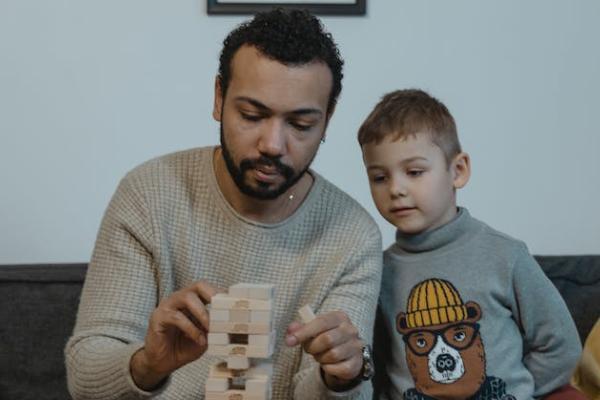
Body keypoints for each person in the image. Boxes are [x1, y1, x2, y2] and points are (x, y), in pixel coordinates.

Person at [65, 8, 382, 399]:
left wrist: (343, 378)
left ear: (327, 120)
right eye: (252, 115)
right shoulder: (148, 194)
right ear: (219, 98)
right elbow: (84, 379)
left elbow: (335, 385)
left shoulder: (352, 236)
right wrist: (149, 363)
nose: (273, 145)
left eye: (300, 125)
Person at [357, 89, 582, 400]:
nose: (396, 189)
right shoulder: (377, 270)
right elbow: (376, 365)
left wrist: (518, 392)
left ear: (458, 171)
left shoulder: (505, 255)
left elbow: (560, 345)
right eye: (380, 177)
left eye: (414, 172)